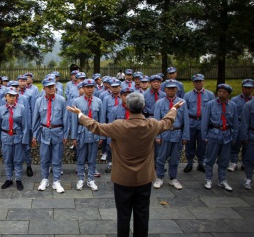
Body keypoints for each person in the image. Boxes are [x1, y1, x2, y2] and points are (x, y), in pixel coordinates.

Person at [67, 92, 183, 237]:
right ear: (144, 106)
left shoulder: (118, 126)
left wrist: (79, 114)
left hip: (122, 179)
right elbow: (167, 122)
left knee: (123, 215)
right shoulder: (151, 124)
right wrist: (174, 109)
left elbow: (95, 126)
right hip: (144, 178)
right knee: (142, 214)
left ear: (127, 106)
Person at [32, 77, 68, 193]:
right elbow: (36, 119)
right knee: (44, 157)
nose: (53, 88)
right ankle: (45, 179)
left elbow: (66, 119)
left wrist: (66, 134)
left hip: (57, 132)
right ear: (44, 88)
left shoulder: (61, 100)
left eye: (53, 86)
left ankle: (56, 181)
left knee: (57, 158)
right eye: (49, 87)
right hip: (44, 132)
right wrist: (34, 135)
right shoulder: (39, 101)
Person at [153, 80, 190, 190]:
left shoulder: (182, 102)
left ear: (177, 90)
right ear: (165, 90)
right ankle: (159, 177)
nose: (171, 90)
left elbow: (186, 120)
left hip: (177, 133)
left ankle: (173, 178)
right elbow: (156, 120)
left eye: (173, 89)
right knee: (160, 157)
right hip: (164, 133)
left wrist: (185, 136)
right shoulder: (159, 103)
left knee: (175, 158)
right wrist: (157, 136)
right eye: (169, 89)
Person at [202, 84, 238, 191]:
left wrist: (234, 137)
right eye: (220, 91)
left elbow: (235, 123)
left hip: (226, 135)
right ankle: (208, 179)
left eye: (224, 92)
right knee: (210, 158)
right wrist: (205, 136)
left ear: (228, 94)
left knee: (224, 159)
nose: (221, 93)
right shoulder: (210, 104)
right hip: (214, 134)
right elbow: (205, 121)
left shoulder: (232, 105)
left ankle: (222, 180)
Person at [70, 79, 103, 191]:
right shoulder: (77, 101)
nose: (90, 89)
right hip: (81, 132)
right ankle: (80, 178)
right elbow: (74, 121)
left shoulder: (98, 101)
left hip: (93, 132)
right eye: (87, 87)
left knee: (92, 158)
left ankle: (90, 180)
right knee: (80, 157)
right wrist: (73, 136)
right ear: (83, 88)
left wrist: (101, 135)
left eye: (92, 87)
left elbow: (101, 120)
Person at [0, 87, 29, 190]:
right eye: (10, 95)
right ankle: (9, 179)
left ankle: (18, 179)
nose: (12, 98)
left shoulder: (21, 108)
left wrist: (25, 140)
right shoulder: (1, 109)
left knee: (18, 160)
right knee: (7, 159)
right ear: (5, 97)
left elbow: (25, 126)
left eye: (14, 96)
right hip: (6, 137)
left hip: (17, 137)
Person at [183, 74, 215, 173]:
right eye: (196, 81)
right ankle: (189, 162)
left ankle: (201, 163)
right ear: (193, 83)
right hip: (191, 121)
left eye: (200, 81)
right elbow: (185, 110)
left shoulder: (210, 95)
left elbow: (213, 110)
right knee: (190, 142)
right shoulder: (187, 95)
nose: (198, 83)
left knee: (202, 143)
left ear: (203, 82)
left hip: (203, 122)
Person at [229, 79, 254, 172]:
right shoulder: (234, 100)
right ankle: (234, 162)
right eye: (245, 88)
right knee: (235, 145)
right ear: (242, 88)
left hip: (250, 127)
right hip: (238, 125)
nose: (247, 90)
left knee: (248, 146)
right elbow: (231, 114)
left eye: (249, 88)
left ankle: (245, 163)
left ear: (252, 89)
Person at [240, 81, 254, 189]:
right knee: (250, 159)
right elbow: (245, 122)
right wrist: (245, 137)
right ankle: (248, 178)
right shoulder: (249, 105)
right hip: (253, 135)